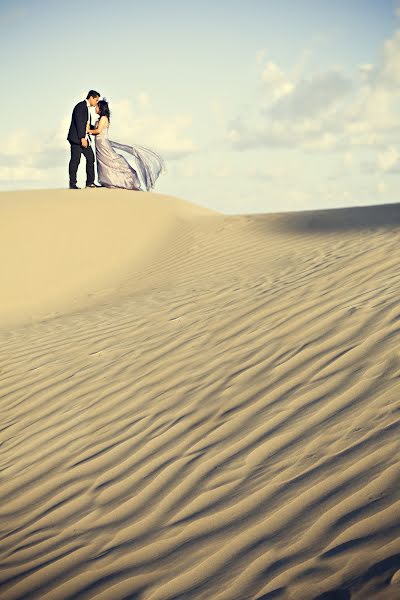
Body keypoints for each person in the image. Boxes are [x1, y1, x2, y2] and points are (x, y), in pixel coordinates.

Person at [88, 98, 164, 191]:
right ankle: (107, 180)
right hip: (99, 143)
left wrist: (88, 131)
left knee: (110, 160)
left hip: (103, 143)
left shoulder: (104, 118)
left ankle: (127, 180)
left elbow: (98, 131)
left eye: (97, 106)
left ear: (101, 108)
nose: (95, 108)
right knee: (103, 162)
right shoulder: (101, 118)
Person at [67, 90, 101, 189]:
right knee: (75, 160)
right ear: (91, 97)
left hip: (84, 139)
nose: (96, 103)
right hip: (77, 139)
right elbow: (79, 123)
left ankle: (90, 183)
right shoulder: (81, 106)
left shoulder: (85, 108)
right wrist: (82, 138)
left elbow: (85, 124)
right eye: (96, 100)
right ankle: (72, 184)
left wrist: (95, 128)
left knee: (90, 158)